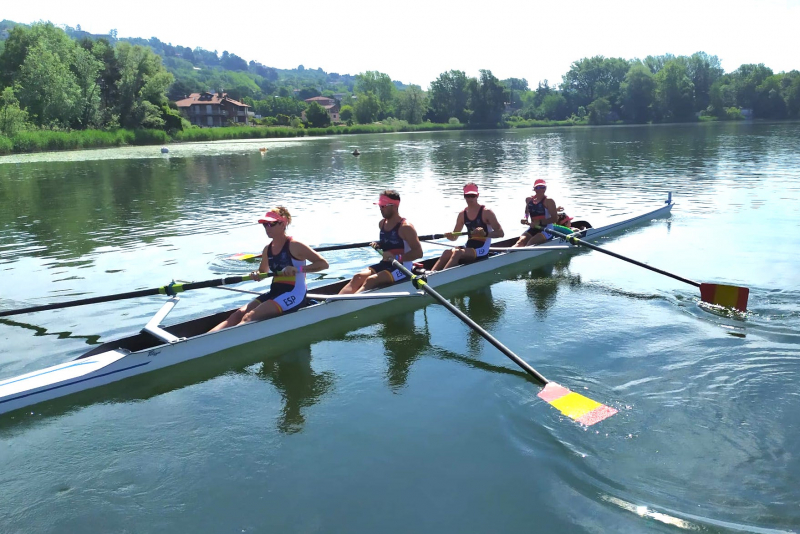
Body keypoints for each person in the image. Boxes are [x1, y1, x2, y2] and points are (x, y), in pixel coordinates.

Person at [210, 207, 328, 332]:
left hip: (294, 293)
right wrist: (257, 274)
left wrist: (297, 268)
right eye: (265, 225)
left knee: (249, 317)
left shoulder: (295, 245)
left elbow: (323, 264)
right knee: (237, 314)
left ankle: (225, 343)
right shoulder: (267, 249)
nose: (267, 228)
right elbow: (263, 272)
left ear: (283, 223)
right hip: (275, 292)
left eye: (271, 224)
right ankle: (205, 342)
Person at [338, 190, 423, 294]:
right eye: (379, 206)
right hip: (386, 264)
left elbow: (418, 253)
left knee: (371, 280)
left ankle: (349, 307)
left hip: (402, 267)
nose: (380, 209)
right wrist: (379, 244)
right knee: (358, 277)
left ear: (394, 206)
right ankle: (333, 305)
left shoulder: (406, 227)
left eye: (383, 206)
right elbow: (391, 243)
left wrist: (396, 257)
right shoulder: (382, 224)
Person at [431, 183, 504, 271]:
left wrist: (485, 234)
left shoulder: (487, 212)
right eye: (467, 196)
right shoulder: (462, 214)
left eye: (472, 195)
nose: (470, 198)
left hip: (482, 249)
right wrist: (450, 236)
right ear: (464, 196)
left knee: (457, 253)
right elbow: (455, 237)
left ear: (477, 195)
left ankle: (439, 277)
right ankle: (429, 275)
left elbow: (500, 233)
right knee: (446, 252)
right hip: (468, 247)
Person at [514, 178, 559, 247]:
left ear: (545, 189)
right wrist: (525, 219)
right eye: (537, 187)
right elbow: (526, 213)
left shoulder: (549, 201)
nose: (540, 189)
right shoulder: (528, 200)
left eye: (542, 187)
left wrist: (540, 222)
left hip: (547, 229)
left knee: (530, 243)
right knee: (520, 242)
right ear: (534, 189)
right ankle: (506, 255)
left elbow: (555, 219)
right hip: (533, 228)